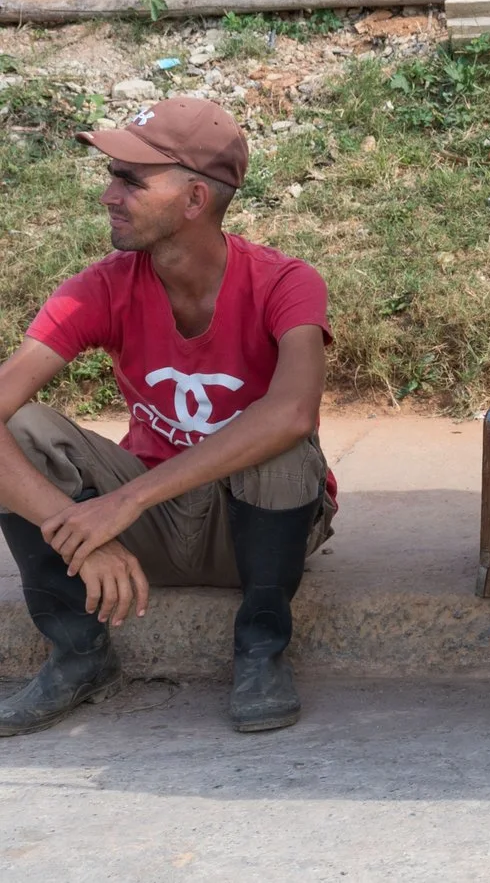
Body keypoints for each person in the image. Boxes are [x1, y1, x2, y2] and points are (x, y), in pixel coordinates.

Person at [0, 97, 331, 737]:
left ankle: (262, 649)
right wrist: (73, 529)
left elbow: (294, 411)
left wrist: (122, 505)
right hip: (148, 524)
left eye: (131, 179)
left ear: (194, 201)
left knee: (281, 446)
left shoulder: (286, 281)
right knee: (23, 429)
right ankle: (79, 656)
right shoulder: (102, 285)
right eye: (112, 176)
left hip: (251, 529)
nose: (108, 195)